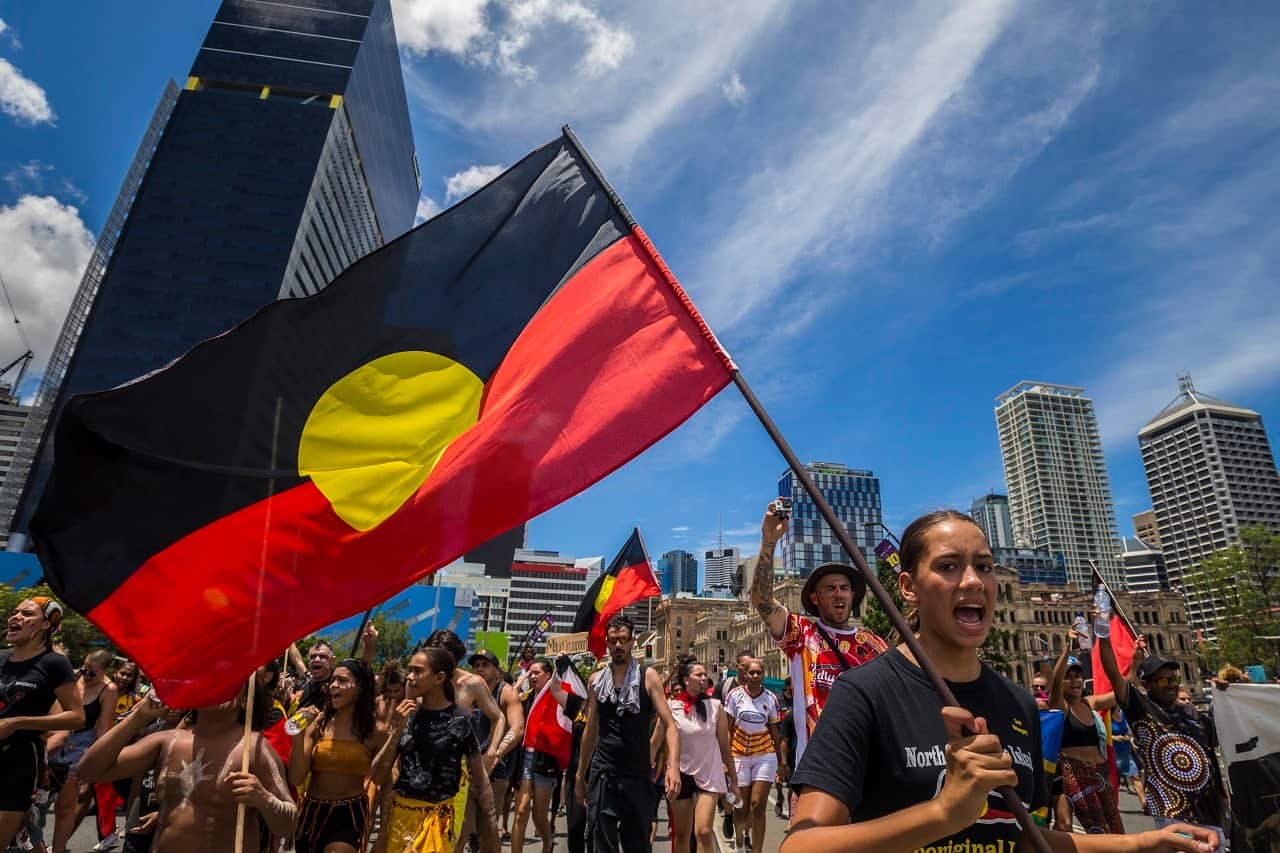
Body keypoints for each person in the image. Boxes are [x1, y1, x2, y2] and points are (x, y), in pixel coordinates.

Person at [783, 509, 1219, 853]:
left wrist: (1139, 844)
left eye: (985, 566)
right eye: (949, 566)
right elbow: (802, 845)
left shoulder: (1019, 705)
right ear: (908, 587)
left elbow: (1023, 838)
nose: (973, 580)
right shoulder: (865, 692)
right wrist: (944, 812)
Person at [77, 682, 297, 852]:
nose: (216, 687)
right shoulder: (167, 741)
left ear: (244, 701)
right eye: (210, 681)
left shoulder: (255, 748)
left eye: (229, 684)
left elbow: (288, 825)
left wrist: (263, 798)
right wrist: (137, 718)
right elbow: (89, 770)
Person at [748, 501, 886, 767]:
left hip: (871, 766)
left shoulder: (874, 644)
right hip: (820, 767)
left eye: (844, 588)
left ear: (853, 596)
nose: (838, 593)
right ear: (815, 597)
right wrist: (768, 542)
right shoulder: (802, 634)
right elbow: (761, 599)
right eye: (830, 588)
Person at [1099, 630, 1228, 851]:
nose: (1171, 684)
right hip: (1174, 813)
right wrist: (1102, 631)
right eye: (1163, 680)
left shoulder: (1193, 715)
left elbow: (1225, 739)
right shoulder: (1141, 710)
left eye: (1174, 679)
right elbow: (1113, 673)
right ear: (1147, 684)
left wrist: (1228, 694)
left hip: (1213, 812)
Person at [371, 646, 499, 853]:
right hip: (400, 822)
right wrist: (396, 731)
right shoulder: (407, 715)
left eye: (418, 671)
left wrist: (491, 825)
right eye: (410, 670)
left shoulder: (460, 720)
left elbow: (479, 777)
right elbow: (376, 776)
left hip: (437, 824)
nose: (410, 677)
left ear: (439, 678)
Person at [576, 616, 681, 853]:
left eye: (623, 639)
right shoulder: (596, 681)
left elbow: (670, 725)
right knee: (601, 844)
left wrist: (673, 767)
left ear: (633, 642)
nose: (618, 645)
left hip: (637, 774)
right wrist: (580, 774)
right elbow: (591, 730)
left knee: (638, 844)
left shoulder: (648, 677)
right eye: (613, 640)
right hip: (603, 773)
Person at [1, 597, 84, 851]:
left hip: (17, 763)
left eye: (26, 614)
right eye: (14, 612)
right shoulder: (1, 657)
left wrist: (17, 722)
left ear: (46, 624)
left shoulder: (54, 664)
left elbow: (76, 716)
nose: (15, 617)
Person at [289, 658, 385, 853]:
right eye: (333, 680)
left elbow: (383, 778)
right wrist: (298, 737)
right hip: (312, 813)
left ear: (359, 688)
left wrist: (382, 829)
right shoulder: (318, 724)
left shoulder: (374, 731)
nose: (334, 685)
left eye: (342, 680)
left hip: (349, 814)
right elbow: (296, 777)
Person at [657, 657, 737, 853]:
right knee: (683, 835)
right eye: (698, 675)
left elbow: (725, 747)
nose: (703, 678)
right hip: (680, 776)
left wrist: (733, 780)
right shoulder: (671, 707)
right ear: (686, 680)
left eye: (704, 675)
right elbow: (656, 742)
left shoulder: (716, 707)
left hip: (709, 775)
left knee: (703, 832)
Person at [1047, 631, 1122, 834]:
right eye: (1069, 677)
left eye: (1078, 676)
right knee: (1068, 826)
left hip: (1099, 773)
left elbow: (1121, 693)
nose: (1075, 681)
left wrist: (1136, 662)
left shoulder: (1089, 703)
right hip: (1070, 775)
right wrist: (1067, 647)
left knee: (1113, 828)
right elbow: (1055, 682)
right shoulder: (1059, 707)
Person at [47, 648, 119, 853]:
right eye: (85, 668)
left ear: (104, 671)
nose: (86, 675)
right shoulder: (74, 676)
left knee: (66, 805)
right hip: (54, 736)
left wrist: (94, 765)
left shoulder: (109, 690)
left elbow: (103, 729)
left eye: (92, 672)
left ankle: (58, 849)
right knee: (36, 797)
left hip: (80, 746)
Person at [460, 650, 523, 853]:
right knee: (460, 831)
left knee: (487, 834)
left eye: (485, 665)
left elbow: (517, 728)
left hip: (493, 774)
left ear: (498, 671)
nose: (479, 669)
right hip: (464, 771)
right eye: (476, 665)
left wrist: (495, 754)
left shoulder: (506, 692)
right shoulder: (468, 690)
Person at [725, 658, 783, 852]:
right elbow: (727, 729)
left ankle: (757, 850)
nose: (755, 676)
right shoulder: (734, 696)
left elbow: (775, 731)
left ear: (763, 675)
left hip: (764, 755)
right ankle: (740, 838)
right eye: (752, 673)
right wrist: (725, 760)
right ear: (745, 674)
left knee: (758, 805)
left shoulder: (770, 698)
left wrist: (781, 762)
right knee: (741, 809)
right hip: (738, 754)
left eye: (759, 673)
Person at [509, 661, 557, 853]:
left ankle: (547, 843)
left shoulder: (556, 697)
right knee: (520, 812)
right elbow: (509, 700)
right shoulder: (527, 698)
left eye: (537, 673)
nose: (533, 677)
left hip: (545, 760)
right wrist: (519, 682)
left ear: (549, 675)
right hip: (525, 758)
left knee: (539, 814)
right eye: (531, 674)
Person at [774, 677, 795, 819]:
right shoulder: (778, 700)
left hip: (791, 740)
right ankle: (780, 795)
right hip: (778, 741)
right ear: (787, 688)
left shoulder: (798, 699)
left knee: (791, 778)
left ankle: (791, 806)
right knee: (779, 774)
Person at [1111, 707, 1143, 801]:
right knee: (1114, 781)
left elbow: (1129, 731)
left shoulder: (1122, 713)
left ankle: (1144, 803)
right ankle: (1113, 805)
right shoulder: (1106, 714)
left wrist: (1129, 738)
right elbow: (1101, 733)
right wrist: (1114, 737)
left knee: (1135, 777)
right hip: (1112, 752)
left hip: (1126, 751)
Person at [376, 663, 407, 733]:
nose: (393, 695)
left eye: (397, 691)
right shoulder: (381, 702)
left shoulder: (413, 703)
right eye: (390, 691)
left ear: (404, 687)